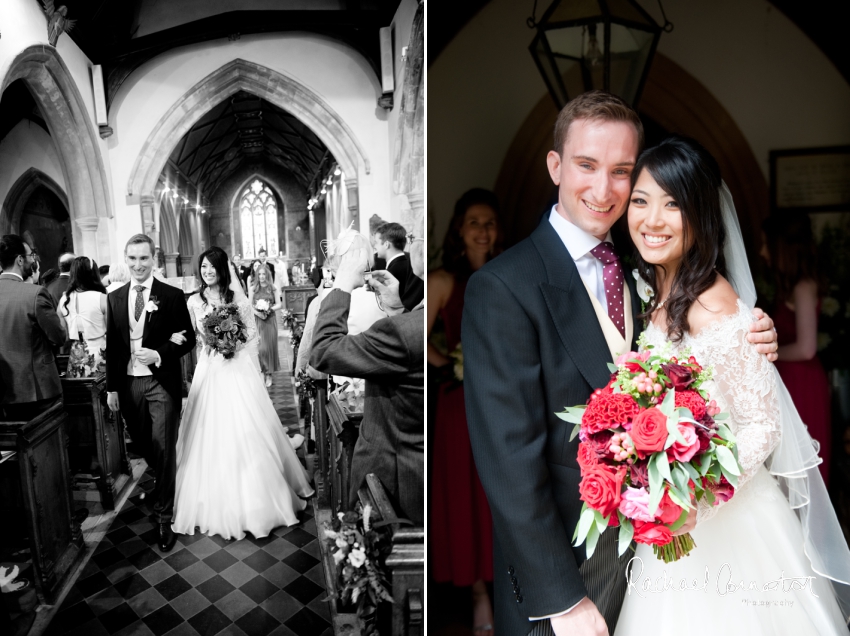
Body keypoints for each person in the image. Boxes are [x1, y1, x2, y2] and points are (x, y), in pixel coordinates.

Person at [462, 91, 780, 636]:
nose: (604, 190)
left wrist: (746, 335)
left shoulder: (646, 269)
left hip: (660, 564)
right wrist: (562, 601)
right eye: (586, 165)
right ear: (555, 165)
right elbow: (510, 464)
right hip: (567, 581)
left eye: (622, 172)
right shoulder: (502, 287)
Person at [614, 135, 849, 634]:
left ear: (700, 213)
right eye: (640, 200)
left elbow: (763, 428)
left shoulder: (714, 302)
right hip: (673, 522)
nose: (651, 219)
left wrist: (693, 500)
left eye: (672, 204)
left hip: (729, 525)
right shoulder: (657, 288)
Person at [171, 247, 313, 540]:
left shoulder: (237, 299)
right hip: (209, 370)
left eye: (212, 267)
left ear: (223, 269)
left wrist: (232, 343)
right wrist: (203, 342)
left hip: (235, 369)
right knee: (207, 433)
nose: (207, 272)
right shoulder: (194, 301)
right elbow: (192, 336)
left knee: (246, 429)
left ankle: (258, 499)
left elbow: (251, 335)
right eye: (203, 267)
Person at [310, 240, 425, 526]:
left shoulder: (406, 332)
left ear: (423, 252)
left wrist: (342, 286)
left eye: (416, 241)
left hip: (396, 480)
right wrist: (398, 310)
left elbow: (323, 351)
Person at [430, 188, 500, 635]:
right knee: (466, 497)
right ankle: (478, 596)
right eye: (474, 221)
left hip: (504, 400)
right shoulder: (443, 280)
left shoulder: (509, 274)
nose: (482, 229)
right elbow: (414, 342)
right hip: (459, 404)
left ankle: (507, 587)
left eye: (490, 222)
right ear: (459, 228)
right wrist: (450, 366)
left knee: (499, 496)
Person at [105, 234, 197, 552]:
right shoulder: (114, 298)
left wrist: (158, 353)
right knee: (143, 445)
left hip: (161, 383)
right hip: (129, 384)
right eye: (132, 259)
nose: (138, 265)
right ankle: (164, 482)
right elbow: (113, 346)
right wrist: (112, 388)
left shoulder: (170, 295)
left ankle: (164, 516)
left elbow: (188, 339)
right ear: (126, 259)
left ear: (153, 258)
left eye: (144, 258)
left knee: (163, 444)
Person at [760, 214, 832, 485]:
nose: (762, 251)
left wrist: (767, 354)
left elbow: (806, 348)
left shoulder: (803, 287)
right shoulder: (789, 286)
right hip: (792, 378)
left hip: (803, 382)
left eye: (767, 243)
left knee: (803, 461)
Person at [0, 235, 67, 421]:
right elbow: (58, 337)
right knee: (51, 445)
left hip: (5, 392)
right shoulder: (34, 293)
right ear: (20, 260)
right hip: (39, 389)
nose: (33, 260)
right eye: (31, 255)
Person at [58, 256, 108, 362]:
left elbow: (64, 335)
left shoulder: (64, 300)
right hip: (99, 351)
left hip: (76, 354)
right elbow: (113, 331)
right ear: (94, 274)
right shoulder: (102, 298)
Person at [375, 221, 424, 311]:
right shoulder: (409, 262)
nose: (374, 246)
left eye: (376, 243)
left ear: (386, 244)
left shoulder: (392, 272)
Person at [250, 264, 282, 387]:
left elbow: (279, 304)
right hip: (258, 320)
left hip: (270, 320)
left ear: (267, 275)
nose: (262, 276)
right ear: (257, 275)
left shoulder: (272, 288)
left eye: (264, 274)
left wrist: (269, 310)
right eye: (260, 274)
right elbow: (249, 305)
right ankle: (262, 371)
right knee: (260, 348)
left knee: (269, 347)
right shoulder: (253, 288)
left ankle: (269, 373)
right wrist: (258, 312)